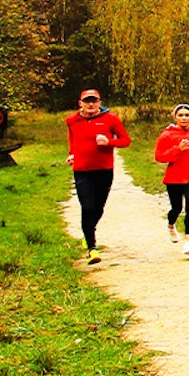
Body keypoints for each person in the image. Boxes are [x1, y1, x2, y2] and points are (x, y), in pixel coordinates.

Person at [65, 89, 132, 264]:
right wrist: (72, 153)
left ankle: (88, 231)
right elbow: (72, 138)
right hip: (81, 170)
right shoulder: (72, 121)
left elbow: (126, 140)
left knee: (98, 208)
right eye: (87, 101)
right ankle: (92, 248)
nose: (91, 104)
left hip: (103, 170)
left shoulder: (111, 119)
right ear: (80, 103)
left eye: (94, 101)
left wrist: (109, 142)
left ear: (100, 103)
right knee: (87, 207)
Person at [154, 103, 189, 256]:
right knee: (176, 208)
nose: (184, 118)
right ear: (175, 117)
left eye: (187, 115)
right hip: (174, 177)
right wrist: (178, 149)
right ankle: (171, 224)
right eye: (181, 115)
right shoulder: (167, 134)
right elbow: (159, 157)